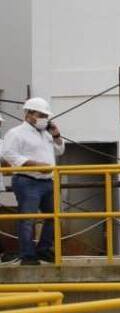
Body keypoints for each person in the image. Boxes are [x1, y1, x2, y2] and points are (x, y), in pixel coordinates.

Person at [1, 97, 65, 265]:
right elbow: (9, 154)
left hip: (47, 180)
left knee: (54, 217)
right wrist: (34, 165)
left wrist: (57, 135)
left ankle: (44, 250)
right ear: (28, 114)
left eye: (45, 115)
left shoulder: (46, 134)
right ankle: (28, 256)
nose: (44, 118)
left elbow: (59, 150)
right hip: (27, 180)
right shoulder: (16, 133)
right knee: (28, 219)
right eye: (40, 114)